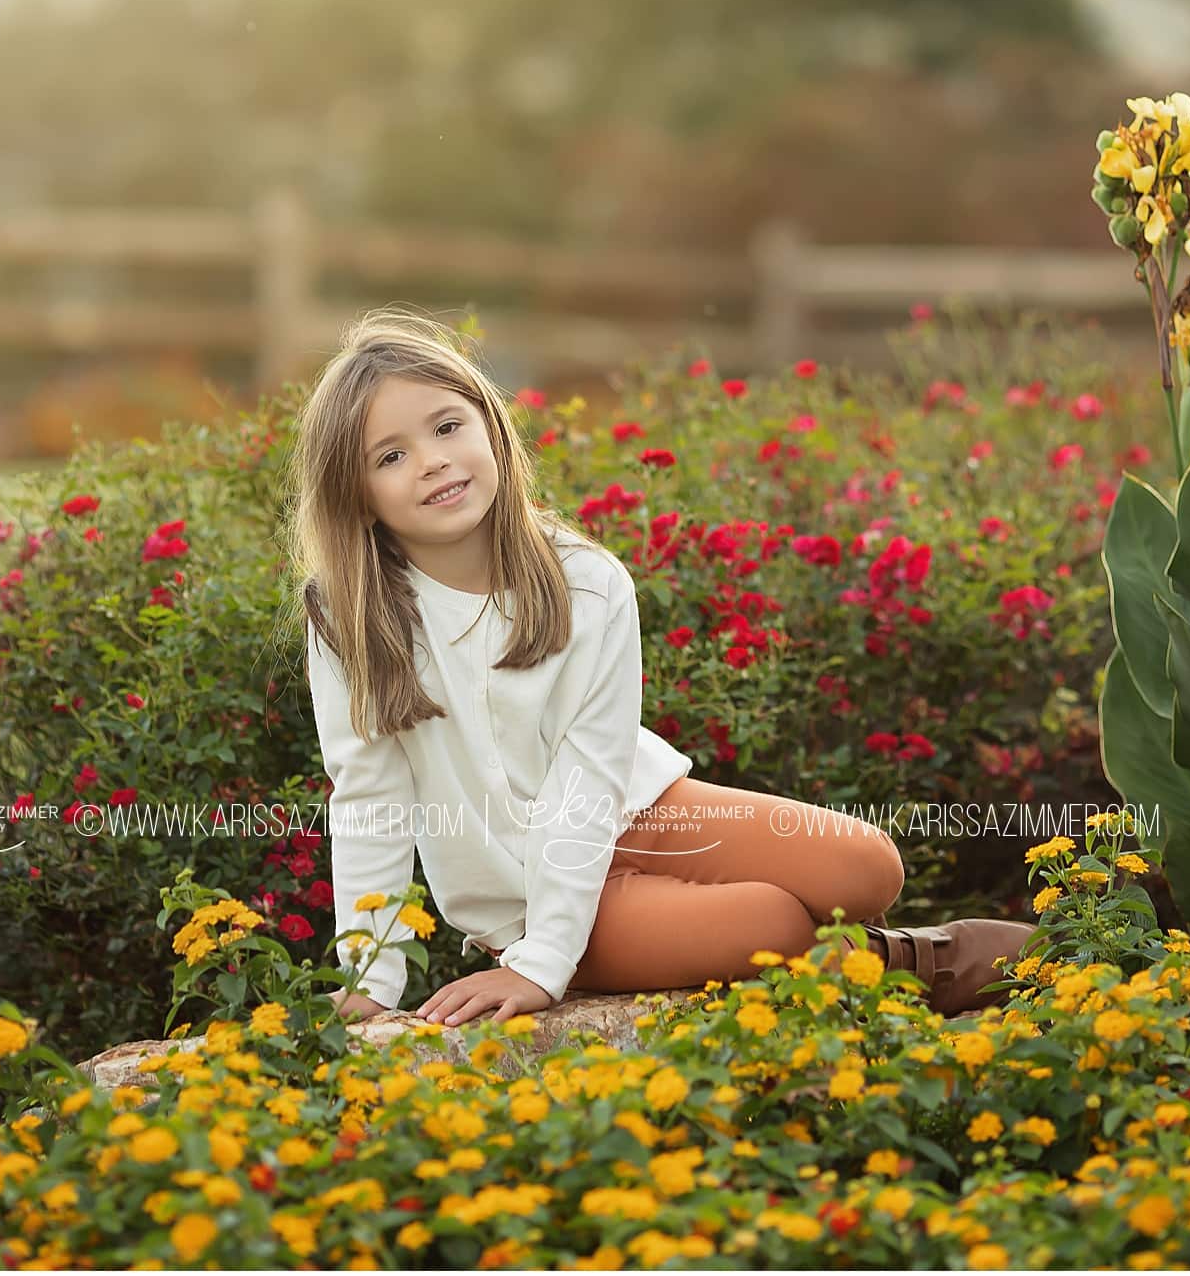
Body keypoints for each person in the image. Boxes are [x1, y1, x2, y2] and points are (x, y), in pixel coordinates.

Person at [286, 311, 1032, 1028]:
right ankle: (908, 964)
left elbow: (589, 774)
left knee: (868, 867)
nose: (433, 460)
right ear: (358, 495)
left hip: (636, 812)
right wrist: (380, 978)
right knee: (766, 920)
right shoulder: (352, 615)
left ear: (489, 424)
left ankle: (816, 947)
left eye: (447, 426)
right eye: (390, 455)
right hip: (518, 892)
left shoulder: (584, 579)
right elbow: (370, 799)